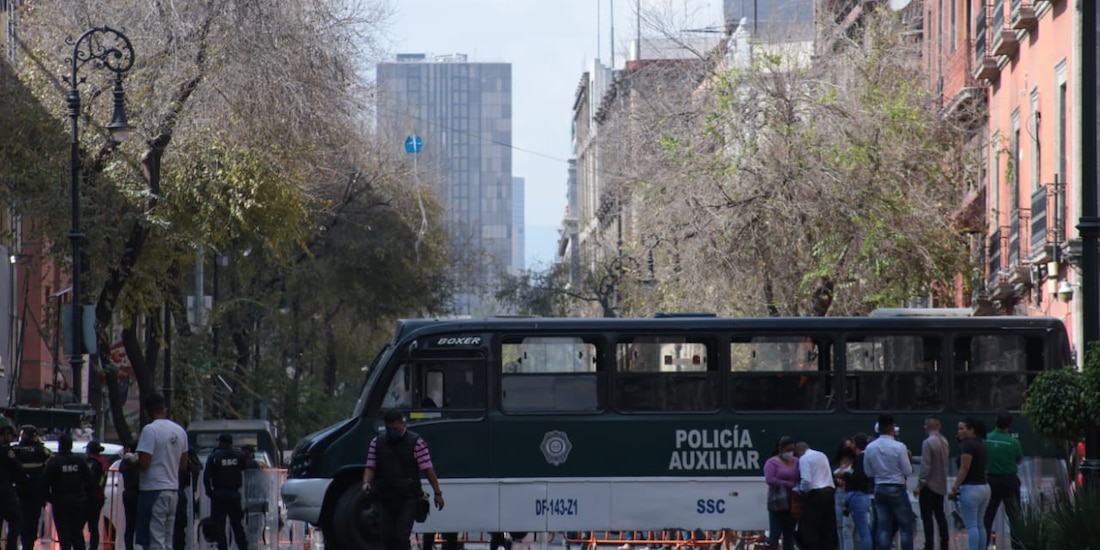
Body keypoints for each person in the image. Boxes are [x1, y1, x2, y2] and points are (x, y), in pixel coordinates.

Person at [361, 410, 445, 550]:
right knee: (386, 538)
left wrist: (437, 493)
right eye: (389, 429)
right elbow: (370, 467)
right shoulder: (377, 443)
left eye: (396, 429)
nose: (392, 432)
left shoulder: (416, 442)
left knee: (401, 536)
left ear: (403, 424)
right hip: (385, 497)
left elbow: (428, 469)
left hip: (408, 498)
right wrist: (366, 484)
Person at [133, 393, 189, 550]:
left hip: (153, 489)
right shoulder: (180, 431)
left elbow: (144, 462)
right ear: (165, 410)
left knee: (154, 538)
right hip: (172, 489)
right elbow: (183, 464)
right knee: (167, 538)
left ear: (146, 412)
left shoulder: (150, 430)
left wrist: (132, 461)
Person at [863, 414, 915, 550]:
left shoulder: (870, 447)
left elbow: (868, 472)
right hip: (896, 487)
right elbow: (908, 471)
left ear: (878, 428)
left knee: (883, 527)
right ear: (893, 427)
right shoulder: (899, 447)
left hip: (879, 488)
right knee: (905, 526)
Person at [949, 417, 990, 550]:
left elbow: (964, 467)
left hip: (970, 488)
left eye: (962, 428)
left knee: (971, 525)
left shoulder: (967, 445)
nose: (959, 431)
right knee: (979, 524)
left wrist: (954, 487)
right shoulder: (981, 444)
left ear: (971, 430)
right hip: (984, 487)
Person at [983, 412, 1023, 550]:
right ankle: (1017, 546)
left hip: (991, 480)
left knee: (987, 516)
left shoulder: (986, 439)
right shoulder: (1014, 442)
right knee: (1015, 517)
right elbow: (1019, 460)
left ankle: (983, 545)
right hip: (1009, 481)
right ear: (1009, 424)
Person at [44, 433, 91, 550]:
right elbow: (89, 478)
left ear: (60, 445)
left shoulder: (54, 462)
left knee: (63, 534)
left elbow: (44, 482)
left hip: (60, 502)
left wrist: (51, 498)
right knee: (77, 533)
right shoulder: (79, 461)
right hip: (77, 501)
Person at [204, 434, 249, 550]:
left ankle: (222, 548)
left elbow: (206, 477)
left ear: (221, 442)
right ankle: (243, 547)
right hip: (234, 494)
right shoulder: (239, 456)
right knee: (237, 525)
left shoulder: (214, 457)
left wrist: (210, 493)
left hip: (218, 495)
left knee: (219, 526)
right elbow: (246, 468)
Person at [9, 425, 50, 550]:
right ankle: (29, 544)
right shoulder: (42, 451)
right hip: (36, 493)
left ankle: (22, 542)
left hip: (19, 492)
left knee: (19, 521)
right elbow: (50, 463)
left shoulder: (15, 451)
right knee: (33, 521)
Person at [794, 441, 837, 550]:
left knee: (811, 526)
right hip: (829, 491)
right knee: (827, 525)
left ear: (799, 452)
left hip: (816, 494)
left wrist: (800, 490)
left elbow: (806, 481)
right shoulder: (821, 455)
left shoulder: (804, 459)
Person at [915, 416, 949, 550]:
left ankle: (929, 545)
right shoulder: (944, 441)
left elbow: (926, 466)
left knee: (927, 518)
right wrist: (913, 458)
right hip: (940, 485)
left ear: (926, 427)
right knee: (940, 516)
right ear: (939, 427)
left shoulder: (928, 442)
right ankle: (944, 543)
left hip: (928, 485)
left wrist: (919, 485)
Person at [762, 436, 799, 550]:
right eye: (788, 450)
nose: (790, 452)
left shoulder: (796, 461)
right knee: (775, 534)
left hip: (792, 502)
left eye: (792, 449)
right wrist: (787, 484)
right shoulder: (772, 462)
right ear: (780, 449)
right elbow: (770, 479)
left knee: (789, 535)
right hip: (777, 502)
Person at [841, 434, 874, 550]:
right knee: (863, 530)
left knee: (863, 532)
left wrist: (844, 474)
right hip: (864, 495)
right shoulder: (868, 457)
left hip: (858, 495)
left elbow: (857, 478)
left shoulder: (861, 458)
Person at [0, 422, 25, 550]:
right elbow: (18, 469)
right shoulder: (7, 450)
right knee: (16, 519)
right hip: (6, 492)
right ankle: (10, 546)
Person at [85, 441, 111, 550]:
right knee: (94, 526)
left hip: (90, 497)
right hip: (99, 496)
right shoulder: (103, 461)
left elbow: (89, 480)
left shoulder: (92, 463)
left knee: (79, 526)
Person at [119, 440, 141, 550]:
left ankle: (129, 547)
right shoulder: (136, 463)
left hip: (128, 493)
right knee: (136, 524)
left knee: (129, 525)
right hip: (136, 493)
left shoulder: (125, 462)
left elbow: (121, 469)